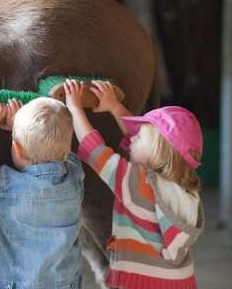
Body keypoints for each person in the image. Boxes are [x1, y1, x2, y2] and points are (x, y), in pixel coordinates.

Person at [64, 79, 205, 289]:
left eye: (138, 138)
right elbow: (147, 140)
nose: (131, 139)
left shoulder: (136, 182)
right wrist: (114, 107)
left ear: (157, 152)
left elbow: (95, 150)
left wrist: (74, 108)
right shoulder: (186, 188)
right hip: (179, 281)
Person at [0, 97, 84, 289]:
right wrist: (24, 133)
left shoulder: (8, 188)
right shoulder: (74, 177)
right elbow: (67, 155)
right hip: (65, 283)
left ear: (16, 149)